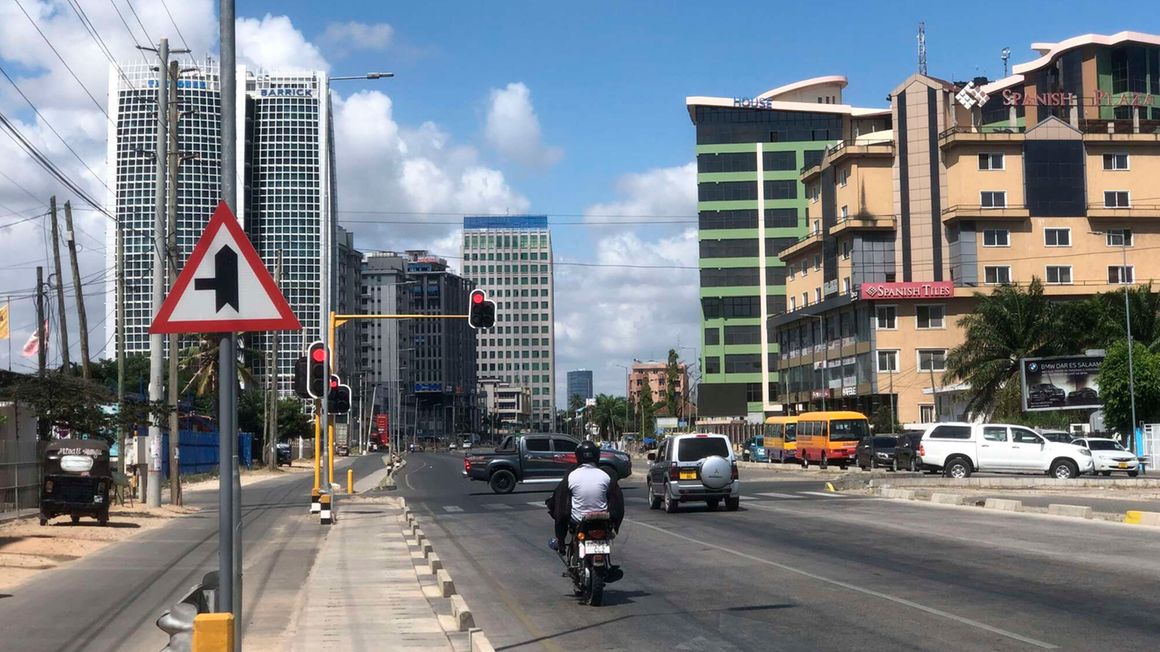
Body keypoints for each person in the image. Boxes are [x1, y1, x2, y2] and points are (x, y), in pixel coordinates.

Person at [547, 441, 625, 581]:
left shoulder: (571, 476)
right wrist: (614, 523)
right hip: (603, 520)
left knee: (562, 517)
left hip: (578, 521)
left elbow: (559, 501)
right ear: (597, 456)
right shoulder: (606, 476)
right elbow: (617, 502)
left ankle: (561, 545)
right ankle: (608, 564)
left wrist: (553, 508)